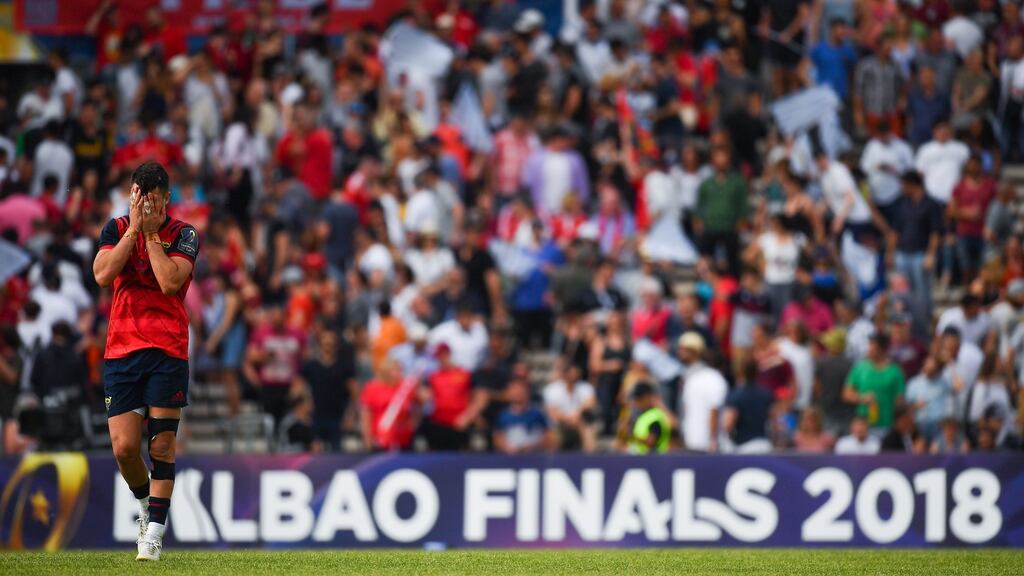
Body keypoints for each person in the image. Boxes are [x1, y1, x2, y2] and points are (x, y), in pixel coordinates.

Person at [92, 162, 199, 561]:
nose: (145, 202)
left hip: (167, 349)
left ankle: (153, 533)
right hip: (121, 350)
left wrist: (151, 233)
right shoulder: (116, 228)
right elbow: (103, 275)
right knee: (123, 448)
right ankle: (144, 506)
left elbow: (171, 282)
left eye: (153, 197)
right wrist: (136, 229)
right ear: (131, 193)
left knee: (163, 445)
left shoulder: (184, 234)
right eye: (139, 194)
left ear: (166, 198)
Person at [294, 327, 357, 452]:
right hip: (315, 416)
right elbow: (296, 389)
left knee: (336, 453)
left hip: (337, 417)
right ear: (320, 343)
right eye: (325, 341)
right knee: (315, 450)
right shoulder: (310, 366)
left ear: (336, 344)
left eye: (331, 341)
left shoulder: (343, 367)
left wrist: (350, 415)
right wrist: (302, 407)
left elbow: (354, 392)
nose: (328, 344)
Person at [421, 343, 487, 451]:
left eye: (441, 356)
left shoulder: (464, 374)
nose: (440, 360)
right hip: (438, 424)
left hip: (459, 424)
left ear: (448, 354)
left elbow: (481, 397)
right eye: (437, 357)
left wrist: (468, 416)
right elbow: (424, 395)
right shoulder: (433, 376)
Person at [843, 332, 906, 435]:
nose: (869, 349)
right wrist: (862, 398)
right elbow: (846, 394)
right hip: (863, 428)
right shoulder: (859, 368)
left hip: (887, 427)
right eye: (869, 345)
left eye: (872, 346)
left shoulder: (895, 372)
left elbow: (900, 400)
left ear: (882, 349)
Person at [678, 332, 728, 453]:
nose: (680, 353)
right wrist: (713, 440)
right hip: (704, 443)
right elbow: (713, 410)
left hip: (693, 441)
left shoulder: (694, 378)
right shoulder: (714, 379)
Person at [360, 359, 418, 452]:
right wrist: (367, 440)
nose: (400, 373)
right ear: (386, 372)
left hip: (403, 439)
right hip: (380, 437)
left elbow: (417, 407)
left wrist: (412, 425)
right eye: (396, 370)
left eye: (400, 370)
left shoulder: (406, 388)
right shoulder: (372, 388)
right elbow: (366, 415)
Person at [543, 361, 598, 452]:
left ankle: (591, 459)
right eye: (570, 375)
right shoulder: (551, 389)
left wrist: (577, 415)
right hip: (560, 423)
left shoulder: (586, 387)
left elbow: (590, 403)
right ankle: (552, 462)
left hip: (580, 422)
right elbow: (552, 412)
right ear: (564, 374)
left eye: (576, 375)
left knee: (588, 430)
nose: (573, 378)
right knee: (551, 434)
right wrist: (567, 419)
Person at [493, 376, 551, 454]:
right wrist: (506, 446)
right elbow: (497, 438)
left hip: (534, 457)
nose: (517, 393)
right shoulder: (503, 416)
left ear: (527, 392)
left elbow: (548, 436)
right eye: (514, 389)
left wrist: (534, 446)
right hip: (510, 458)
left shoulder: (537, 413)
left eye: (521, 389)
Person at [905, 355, 956, 442]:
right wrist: (915, 405)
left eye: (933, 368)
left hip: (939, 424)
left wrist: (951, 365)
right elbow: (906, 406)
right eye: (927, 366)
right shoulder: (914, 383)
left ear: (938, 370)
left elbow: (959, 385)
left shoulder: (944, 382)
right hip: (919, 424)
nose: (929, 370)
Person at [815, 328, 854, 436]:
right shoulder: (850, 364)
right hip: (847, 411)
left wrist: (820, 402)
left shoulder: (822, 362)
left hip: (827, 409)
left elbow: (817, 387)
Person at [627, 382, 672, 454]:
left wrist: (631, 437)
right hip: (643, 458)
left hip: (654, 459)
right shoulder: (642, 415)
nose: (636, 403)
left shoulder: (655, 416)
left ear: (647, 397)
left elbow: (651, 441)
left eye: (639, 399)